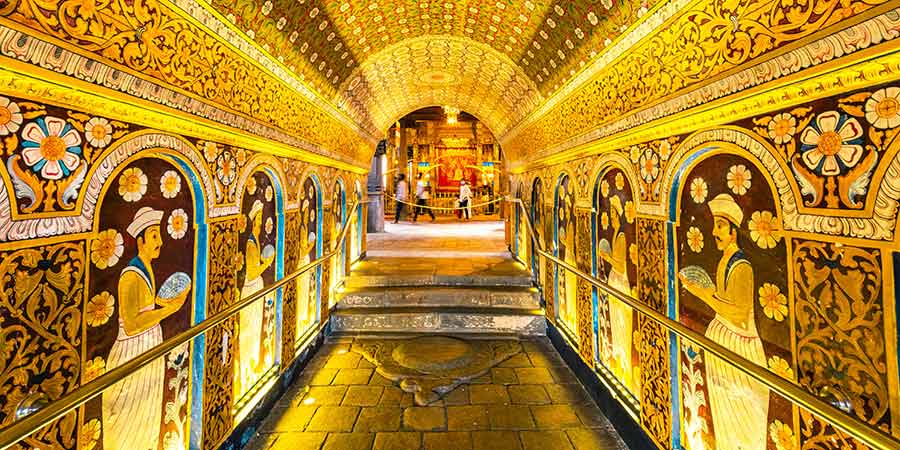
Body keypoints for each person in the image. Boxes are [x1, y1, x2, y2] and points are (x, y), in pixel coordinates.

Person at [677, 193, 768, 450]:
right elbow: (723, 301)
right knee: (725, 420)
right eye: (715, 225)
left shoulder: (742, 267)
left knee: (743, 423)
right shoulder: (725, 260)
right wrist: (701, 291)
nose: (714, 232)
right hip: (724, 344)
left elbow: (738, 314)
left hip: (740, 347)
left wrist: (701, 293)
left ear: (733, 231)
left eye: (720, 226)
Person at [104, 207, 190, 450]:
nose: (160, 242)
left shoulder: (145, 267)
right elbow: (131, 324)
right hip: (133, 349)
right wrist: (170, 310)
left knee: (147, 415)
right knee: (129, 421)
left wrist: (170, 302)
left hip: (149, 345)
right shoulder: (130, 276)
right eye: (154, 236)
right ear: (140, 240)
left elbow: (148, 303)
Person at [236, 200, 276, 397]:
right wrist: (267, 262)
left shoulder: (255, 240)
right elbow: (252, 272)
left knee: (254, 327)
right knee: (249, 330)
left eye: (261, 217)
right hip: (251, 288)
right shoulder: (251, 243)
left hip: (256, 287)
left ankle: (251, 367)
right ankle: (247, 371)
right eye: (259, 218)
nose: (261, 222)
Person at [597, 195, 635, 392]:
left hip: (620, 281)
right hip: (615, 280)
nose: (611, 217)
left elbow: (620, 264)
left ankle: (624, 365)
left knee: (621, 321)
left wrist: (606, 257)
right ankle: (619, 361)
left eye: (613, 213)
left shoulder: (621, 236)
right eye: (610, 213)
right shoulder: (617, 233)